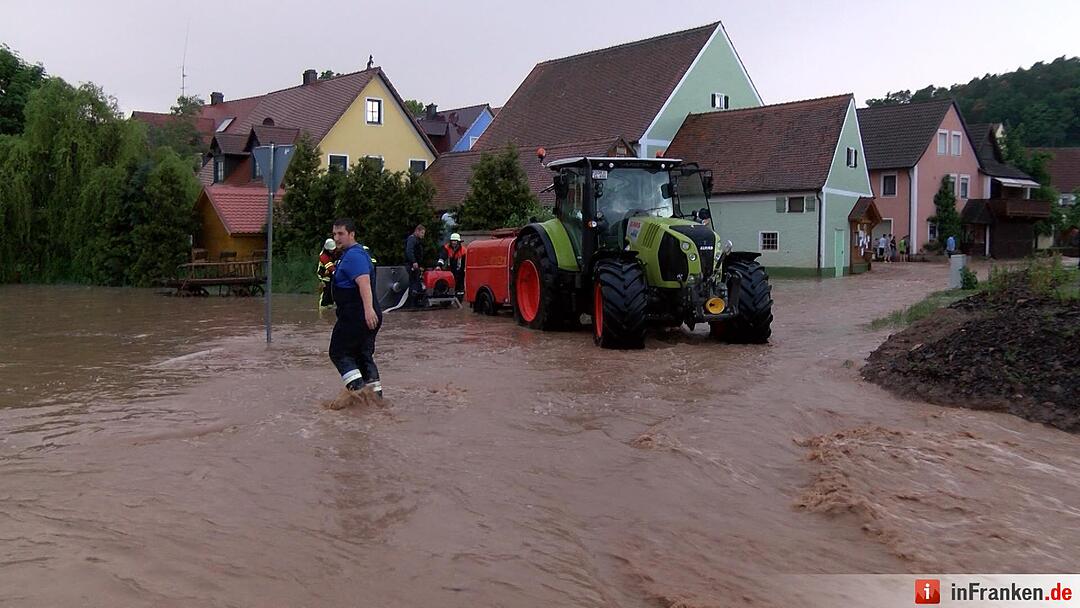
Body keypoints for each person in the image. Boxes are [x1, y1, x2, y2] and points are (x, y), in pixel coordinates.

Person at [328, 218, 383, 398]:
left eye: (341, 234)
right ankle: (375, 398)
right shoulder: (353, 254)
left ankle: (359, 396)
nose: (337, 238)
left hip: (357, 315)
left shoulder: (353, 255)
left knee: (338, 352)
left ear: (352, 234)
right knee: (362, 355)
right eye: (334, 234)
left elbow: (364, 283)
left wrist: (368, 310)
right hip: (365, 314)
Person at [404, 224, 426, 305]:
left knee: (416, 282)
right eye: (422, 233)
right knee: (413, 282)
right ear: (417, 231)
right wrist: (413, 261)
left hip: (415, 265)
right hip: (411, 265)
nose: (423, 235)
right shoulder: (412, 239)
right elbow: (409, 251)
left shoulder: (416, 240)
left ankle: (416, 301)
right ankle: (413, 302)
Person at [317, 238, 338, 309]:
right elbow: (330, 267)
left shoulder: (336, 251)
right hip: (324, 275)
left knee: (332, 291)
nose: (332, 251)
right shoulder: (323, 256)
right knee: (326, 291)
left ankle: (330, 305)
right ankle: (322, 307)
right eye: (330, 250)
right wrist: (338, 273)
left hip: (332, 274)